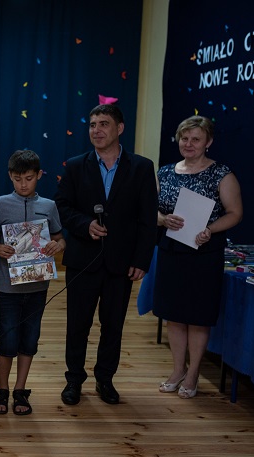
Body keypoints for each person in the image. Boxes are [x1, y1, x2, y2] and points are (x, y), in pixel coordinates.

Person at [55, 104, 158, 405]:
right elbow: (62, 207)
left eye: (103, 124)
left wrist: (141, 260)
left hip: (121, 264)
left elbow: (147, 218)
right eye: (92, 124)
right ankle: (74, 380)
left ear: (119, 128)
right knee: (78, 325)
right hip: (82, 260)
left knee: (113, 326)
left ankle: (105, 379)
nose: (96, 130)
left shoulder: (141, 167)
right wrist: (84, 224)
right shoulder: (76, 165)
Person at [154, 115, 242, 398]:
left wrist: (210, 229)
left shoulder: (222, 174)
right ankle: (177, 369)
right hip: (171, 251)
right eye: (184, 138)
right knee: (174, 315)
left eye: (196, 139)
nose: (189, 144)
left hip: (204, 253)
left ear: (208, 142)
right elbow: (149, 209)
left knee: (197, 316)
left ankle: (193, 374)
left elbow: (235, 213)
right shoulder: (165, 172)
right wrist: (163, 219)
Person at [0, 150, 65, 415]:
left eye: (29, 178)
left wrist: (57, 246)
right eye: (18, 178)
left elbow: (59, 238)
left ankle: (20, 389)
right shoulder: (0, 204)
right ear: (10, 176)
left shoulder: (49, 206)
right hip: (7, 286)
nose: (23, 184)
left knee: (30, 339)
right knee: (6, 339)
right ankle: (2, 388)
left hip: (38, 287)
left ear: (39, 175)